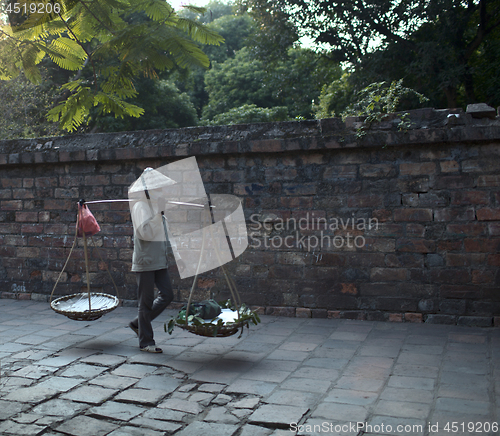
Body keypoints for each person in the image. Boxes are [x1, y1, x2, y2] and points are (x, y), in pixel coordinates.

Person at [128, 199, 174, 353]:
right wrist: (157, 216)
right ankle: (146, 342)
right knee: (145, 302)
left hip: (160, 260)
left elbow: (165, 235)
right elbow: (145, 233)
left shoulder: (157, 208)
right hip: (145, 261)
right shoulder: (140, 207)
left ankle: (137, 323)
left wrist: (175, 256)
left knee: (167, 294)